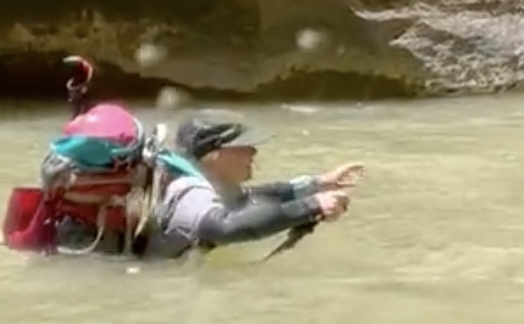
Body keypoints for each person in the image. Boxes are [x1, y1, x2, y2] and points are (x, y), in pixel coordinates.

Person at [145, 108, 364, 260]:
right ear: (212, 155)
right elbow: (225, 229)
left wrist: (318, 183)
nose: (253, 151)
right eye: (243, 146)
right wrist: (312, 206)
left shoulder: (208, 183)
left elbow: (249, 198)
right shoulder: (190, 194)